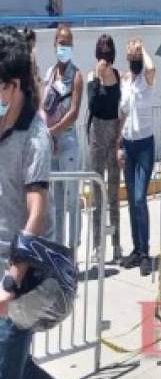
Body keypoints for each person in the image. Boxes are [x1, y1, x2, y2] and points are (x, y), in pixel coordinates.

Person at [0, 28, 96, 379]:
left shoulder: (34, 136)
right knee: (16, 375)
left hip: (22, 274)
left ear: (13, 86)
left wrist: (11, 280)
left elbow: (36, 212)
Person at [42, 26, 84, 251]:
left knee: (71, 199)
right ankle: (58, 251)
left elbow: (74, 112)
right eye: (61, 42)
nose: (63, 47)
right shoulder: (50, 73)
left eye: (67, 43)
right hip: (52, 144)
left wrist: (54, 131)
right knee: (55, 202)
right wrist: (47, 133)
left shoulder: (76, 76)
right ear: (54, 44)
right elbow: (44, 106)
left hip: (67, 142)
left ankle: (73, 249)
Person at [118, 39, 156, 276]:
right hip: (128, 144)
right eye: (130, 55)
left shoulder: (147, 79)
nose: (134, 60)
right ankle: (136, 248)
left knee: (141, 198)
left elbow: (150, 68)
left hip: (145, 145)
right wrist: (117, 144)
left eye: (136, 56)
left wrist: (143, 49)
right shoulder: (125, 81)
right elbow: (121, 113)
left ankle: (145, 251)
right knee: (132, 199)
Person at [86, 34, 123, 263]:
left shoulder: (118, 76)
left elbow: (119, 105)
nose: (105, 60)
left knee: (113, 194)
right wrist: (99, 79)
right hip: (97, 139)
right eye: (102, 55)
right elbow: (93, 104)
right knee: (97, 193)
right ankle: (97, 245)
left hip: (113, 138)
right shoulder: (92, 77)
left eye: (108, 56)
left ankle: (116, 243)